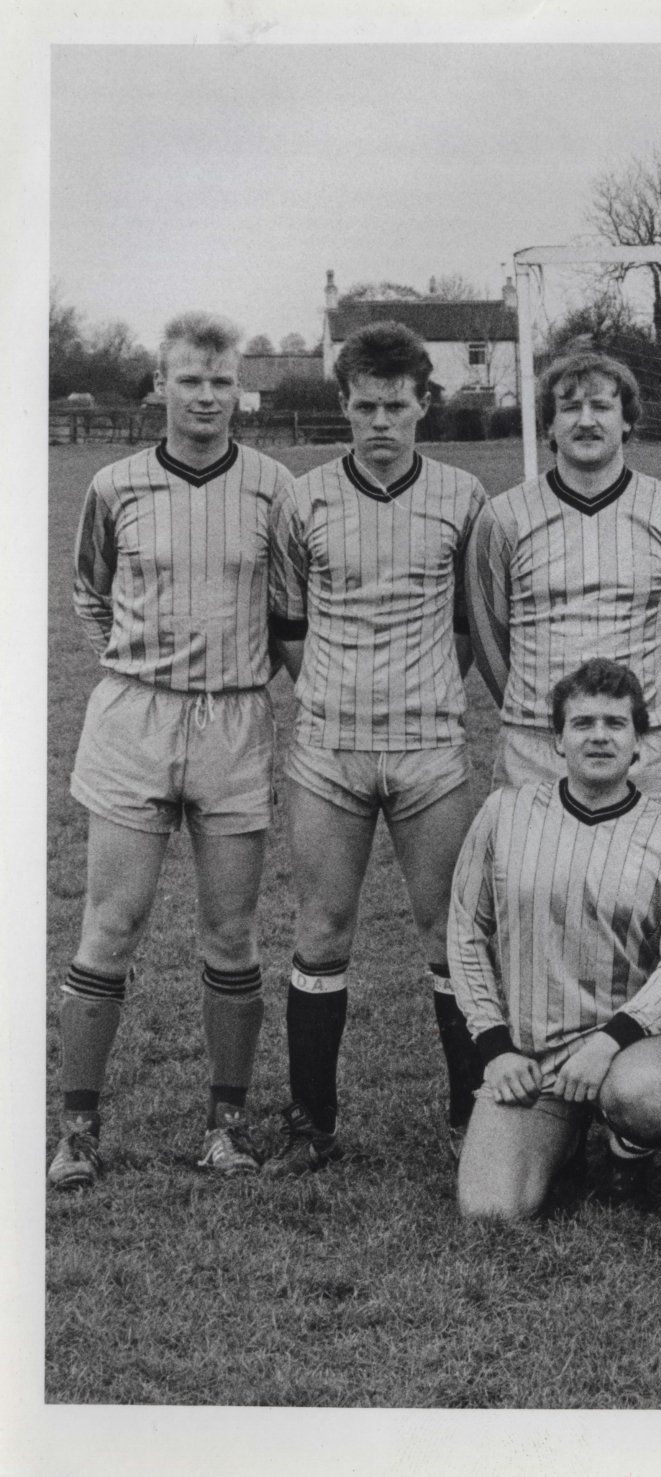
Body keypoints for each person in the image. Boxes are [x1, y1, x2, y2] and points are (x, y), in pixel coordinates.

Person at [51, 311, 296, 1189]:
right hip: (135, 720)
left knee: (231, 931)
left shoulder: (274, 488)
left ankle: (226, 1125)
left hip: (235, 720)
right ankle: (78, 1130)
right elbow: (89, 592)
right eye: (190, 379)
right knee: (110, 923)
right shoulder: (114, 484)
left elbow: (289, 607)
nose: (205, 396)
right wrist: (138, 669)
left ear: (240, 391)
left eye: (221, 381)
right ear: (162, 385)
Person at [262, 321, 490, 1174]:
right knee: (322, 928)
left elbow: (470, 624)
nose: (381, 422)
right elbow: (289, 623)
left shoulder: (465, 496)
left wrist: (419, 691)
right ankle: (311, 1122)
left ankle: (473, 1117)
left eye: (397, 406)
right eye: (365, 407)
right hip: (330, 748)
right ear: (345, 406)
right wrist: (337, 696)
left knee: (449, 933)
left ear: (424, 404)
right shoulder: (304, 497)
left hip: (430, 746)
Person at [446, 659, 661, 1220]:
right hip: (532, 1057)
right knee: (490, 1211)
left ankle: (626, 1158)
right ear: (558, 739)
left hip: (629, 1049)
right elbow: (467, 932)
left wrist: (610, 1041)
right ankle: (562, 1138)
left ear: (639, 743)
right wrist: (494, 1048)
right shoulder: (504, 813)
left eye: (616, 723)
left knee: (647, 1096)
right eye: (583, 723)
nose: (599, 736)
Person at [467, 349, 661, 805]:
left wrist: (636, 713)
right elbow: (489, 640)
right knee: (530, 856)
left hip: (641, 746)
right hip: (535, 745)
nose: (586, 420)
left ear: (627, 420)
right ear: (548, 425)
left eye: (601, 406)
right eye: (569, 407)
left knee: (646, 855)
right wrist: (542, 714)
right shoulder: (504, 516)